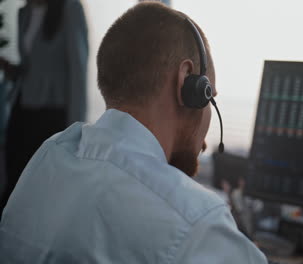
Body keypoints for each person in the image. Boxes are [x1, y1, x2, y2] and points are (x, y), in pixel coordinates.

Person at [0, 2, 268, 263]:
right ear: (187, 81)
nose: (206, 145)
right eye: (210, 97)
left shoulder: (48, 156)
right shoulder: (195, 220)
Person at [0, 0, 88, 213]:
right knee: (14, 176)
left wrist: (77, 130)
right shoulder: (25, 12)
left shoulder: (70, 9)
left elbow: (78, 70)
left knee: (44, 188)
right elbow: (35, 65)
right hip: (23, 108)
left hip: (52, 113)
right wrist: (13, 69)